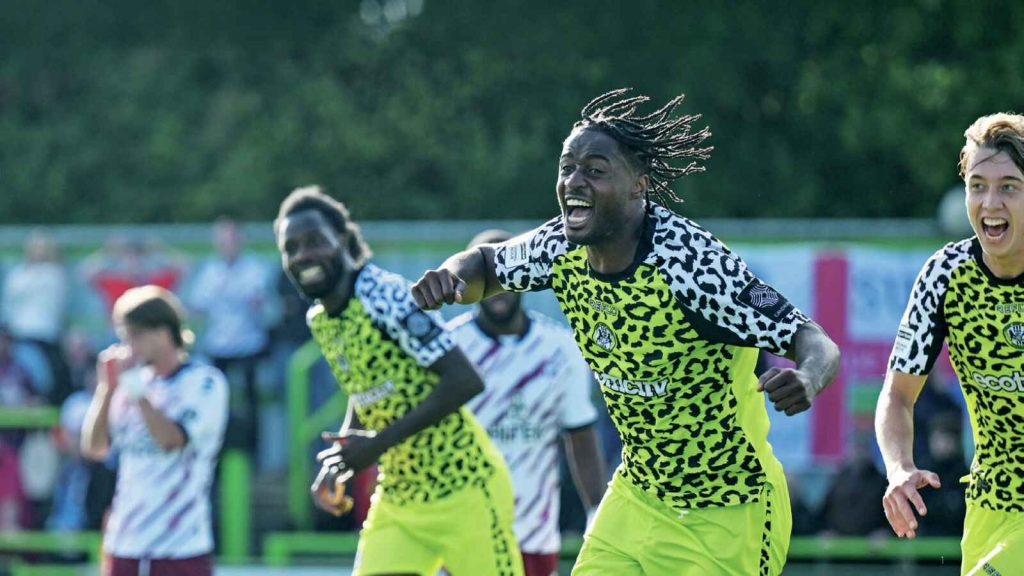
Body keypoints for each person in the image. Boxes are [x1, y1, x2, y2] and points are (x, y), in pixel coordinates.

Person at [412, 89, 841, 576]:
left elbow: (814, 341)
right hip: (638, 498)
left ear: (639, 185)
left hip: (728, 511)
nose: (574, 180)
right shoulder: (560, 247)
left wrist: (807, 377)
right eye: (567, 167)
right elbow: (488, 265)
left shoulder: (692, 265)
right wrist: (451, 275)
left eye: (595, 170)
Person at [274, 186, 523, 576]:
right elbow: (364, 391)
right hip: (401, 501)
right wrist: (342, 459)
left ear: (342, 239)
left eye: (315, 241)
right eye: (291, 248)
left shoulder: (383, 295)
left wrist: (375, 446)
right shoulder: (320, 319)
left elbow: (464, 381)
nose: (303, 255)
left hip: (466, 491)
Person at [877, 112, 1024, 575]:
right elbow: (898, 396)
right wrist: (899, 468)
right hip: (987, 511)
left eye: (1008, 186)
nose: (990, 202)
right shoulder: (946, 276)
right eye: (977, 185)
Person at [449, 228, 607, 576]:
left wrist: (597, 511)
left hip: (533, 531)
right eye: (482, 278)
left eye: (500, 276)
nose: (494, 287)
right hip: (461, 529)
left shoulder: (561, 348)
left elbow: (579, 433)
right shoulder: (450, 347)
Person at [81, 286, 228, 576]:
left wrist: (136, 390)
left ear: (162, 332)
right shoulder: (129, 386)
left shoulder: (204, 383)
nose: (127, 346)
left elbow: (171, 440)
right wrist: (106, 390)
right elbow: (95, 448)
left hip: (180, 545)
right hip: (124, 544)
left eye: (133, 335)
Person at [187, 216, 278, 455]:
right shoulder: (210, 271)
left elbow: (264, 307)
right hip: (218, 346)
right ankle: (219, 449)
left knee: (251, 402)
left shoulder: (255, 269)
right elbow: (197, 306)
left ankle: (254, 452)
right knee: (216, 399)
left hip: (249, 345)